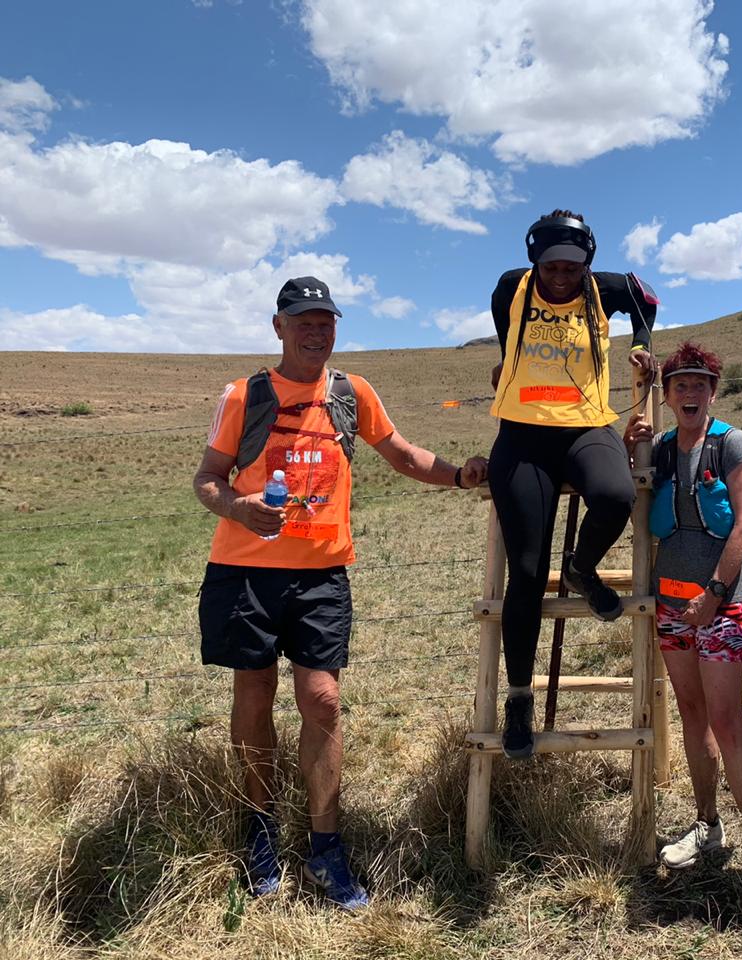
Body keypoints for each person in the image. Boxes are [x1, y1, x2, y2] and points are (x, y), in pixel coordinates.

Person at [193, 276, 487, 909]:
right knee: (254, 693)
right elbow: (207, 481)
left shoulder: (353, 394)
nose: (315, 329)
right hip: (246, 571)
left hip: (322, 573)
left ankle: (326, 847)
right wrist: (242, 510)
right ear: (278, 327)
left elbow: (403, 454)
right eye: (302, 319)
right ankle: (259, 832)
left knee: (322, 701)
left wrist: (461, 476)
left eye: (325, 319)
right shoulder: (245, 396)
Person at [487, 210, 657, 760]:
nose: (562, 275)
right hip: (522, 433)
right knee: (529, 574)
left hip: (586, 425)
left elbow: (645, 299)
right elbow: (503, 332)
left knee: (615, 495)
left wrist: (641, 343)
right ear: (536, 259)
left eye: (574, 266)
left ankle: (582, 569)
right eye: (553, 265)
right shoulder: (511, 287)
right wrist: (505, 360)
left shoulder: (605, 288)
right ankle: (518, 698)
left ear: (588, 262)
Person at [623, 342, 742, 920]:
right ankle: (708, 825)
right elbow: (629, 488)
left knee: (727, 721)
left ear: (712, 392)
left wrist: (714, 594)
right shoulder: (662, 448)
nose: (689, 394)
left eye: (699, 385)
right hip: (670, 607)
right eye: (679, 386)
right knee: (692, 715)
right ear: (668, 394)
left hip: (718, 607)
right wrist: (628, 436)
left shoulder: (729, 443)